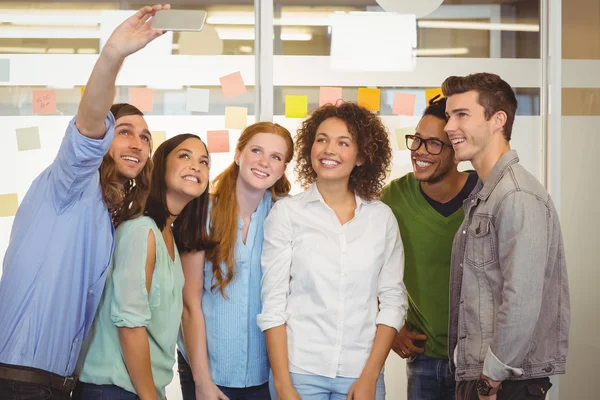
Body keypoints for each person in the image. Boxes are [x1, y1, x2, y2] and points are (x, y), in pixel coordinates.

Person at [0, 4, 167, 399]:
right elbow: (90, 125)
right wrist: (113, 55)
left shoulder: (108, 210)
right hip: (20, 377)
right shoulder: (72, 181)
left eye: (145, 137)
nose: (138, 144)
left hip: (55, 382)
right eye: (124, 131)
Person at [258, 102, 408, 400]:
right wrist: (284, 385)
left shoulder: (381, 218)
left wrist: (369, 377)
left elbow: (393, 301)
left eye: (343, 142)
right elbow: (273, 304)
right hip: (299, 372)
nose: (329, 149)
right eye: (322, 139)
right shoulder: (287, 214)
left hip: (361, 374)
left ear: (362, 155)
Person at [442, 73, 570, 400]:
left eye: (461, 115)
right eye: (448, 116)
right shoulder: (490, 193)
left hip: (502, 384)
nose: (448, 127)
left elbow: (523, 297)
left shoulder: (515, 194)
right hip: (486, 377)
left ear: (498, 120)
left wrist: (491, 378)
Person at [75, 133, 212, 400]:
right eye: (185, 155)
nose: (197, 166)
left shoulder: (169, 237)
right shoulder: (141, 230)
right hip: (112, 389)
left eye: (204, 161)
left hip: (138, 389)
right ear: (159, 166)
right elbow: (130, 326)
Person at [177, 122, 294, 400]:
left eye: (276, 157)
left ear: (283, 168)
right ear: (238, 154)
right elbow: (190, 302)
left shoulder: (288, 214)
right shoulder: (201, 211)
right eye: (256, 150)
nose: (264, 162)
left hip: (266, 376)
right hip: (207, 373)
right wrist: (202, 381)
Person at [381, 95, 478, 400]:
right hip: (424, 359)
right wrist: (391, 328)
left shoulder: (486, 194)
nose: (421, 152)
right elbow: (362, 266)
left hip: (480, 360)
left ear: (457, 151)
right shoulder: (394, 196)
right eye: (418, 141)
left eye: (435, 144)